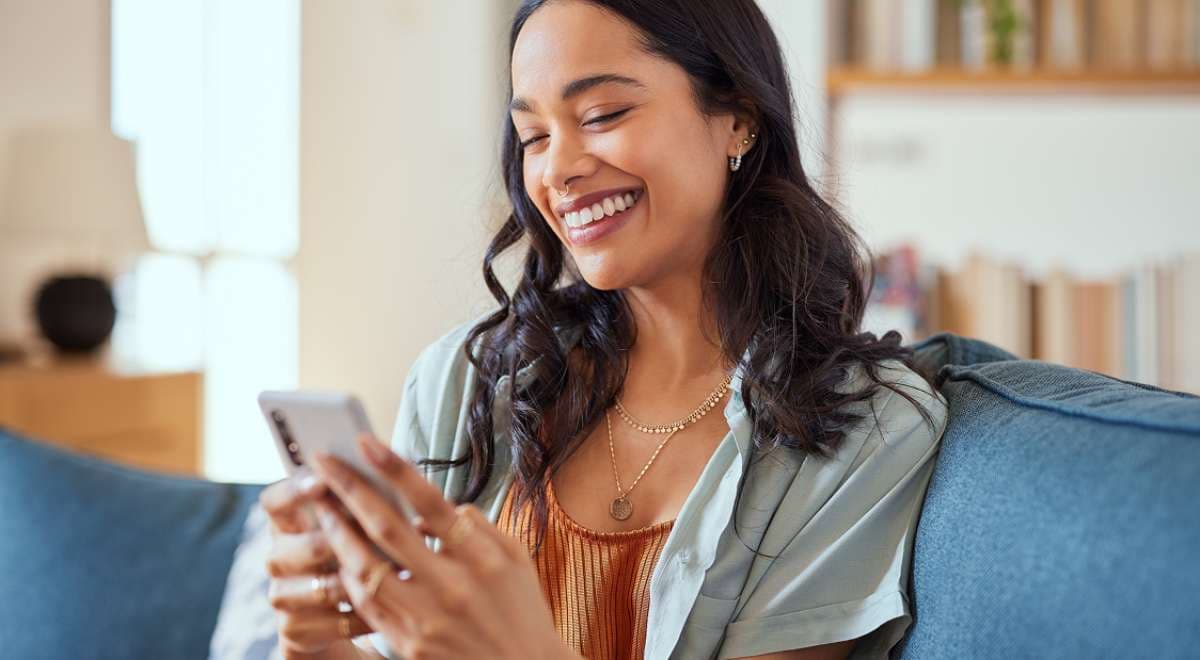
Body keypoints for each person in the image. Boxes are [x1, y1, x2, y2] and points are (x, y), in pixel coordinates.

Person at [258, 1, 948, 658]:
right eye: (534, 136)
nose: (557, 168)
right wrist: (316, 645)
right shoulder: (467, 379)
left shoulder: (866, 428)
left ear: (737, 116)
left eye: (602, 113)